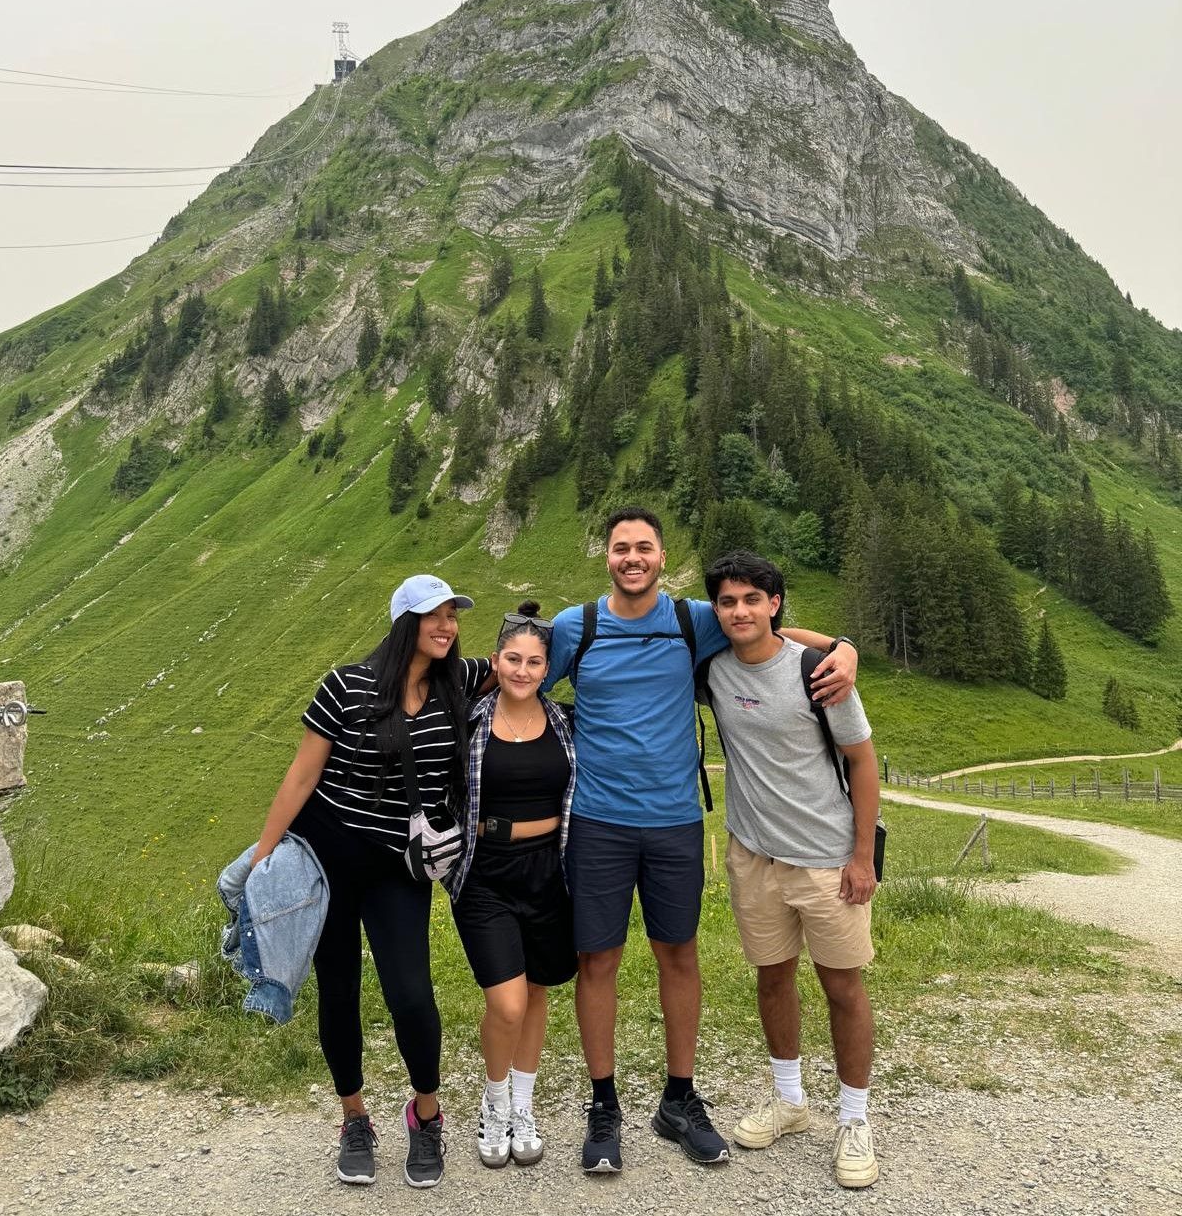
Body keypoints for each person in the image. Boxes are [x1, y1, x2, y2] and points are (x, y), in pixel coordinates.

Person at [542, 506, 859, 1174]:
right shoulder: (579, 626)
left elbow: (766, 626)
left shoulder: (694, 619)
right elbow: (520, 681)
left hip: (676, 821)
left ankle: (679, 1099)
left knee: (678, 956)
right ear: (607, 556)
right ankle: (604, 1104)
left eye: (644, 547)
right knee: (597, 962)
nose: (633, 557)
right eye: (621, 547)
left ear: (661, 555)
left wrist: (843, 647)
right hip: (598, 820)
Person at [249, 573, 491, 1191]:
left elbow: (535, 651)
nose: (447, 627)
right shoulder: (346, 686)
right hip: (326, 865)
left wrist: (767, 635)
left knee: (411, 993)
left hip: (396, 869)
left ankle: (426, 1115)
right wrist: (262, 858)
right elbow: (303, 776)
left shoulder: (457, 682)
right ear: (403, 622)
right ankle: (354, 1119)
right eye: (434, 617)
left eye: (452, 617)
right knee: (340, 991)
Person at [702, 550, 880, 1190]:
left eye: (753, 598)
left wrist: (861, 858)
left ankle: (855, 1119)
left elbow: (862, 762)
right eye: (728, 601)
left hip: (827, 860)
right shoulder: (714, 671)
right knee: (772, 979)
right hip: (753, 855)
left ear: (775, 604)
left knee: (842, 988)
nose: (740, 610)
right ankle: (790, 1100)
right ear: (717, 610)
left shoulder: (818, 672)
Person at [448, 602, 577, 1170]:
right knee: (507, 1001)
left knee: (540, 989)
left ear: (547, 667)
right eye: (512, 658)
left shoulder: (566, 720)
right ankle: (494, 1098)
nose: (523, 670)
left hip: (549, 869)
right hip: (485, 870)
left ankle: (523, 1102)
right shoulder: (467, 717)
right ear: (494, 660)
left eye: (534, 661)